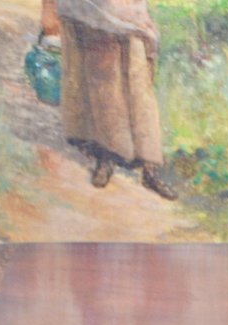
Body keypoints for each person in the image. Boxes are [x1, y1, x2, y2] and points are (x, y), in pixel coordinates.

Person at [50, 0, 177, 199]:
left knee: (138, 84)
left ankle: (149, 168)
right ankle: (105, 157)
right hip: (90, 10)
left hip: (128, 10)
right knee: (101, 82)